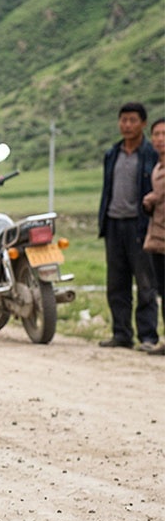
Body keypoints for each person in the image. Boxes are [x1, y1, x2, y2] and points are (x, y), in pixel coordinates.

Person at [98, 102, 159, 351]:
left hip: (140, 225)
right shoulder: (113, 153)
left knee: (146, 282)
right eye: (123, 120)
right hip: (114, 223)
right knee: (116, 282)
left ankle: (148, 336)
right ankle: (121, 334)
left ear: (143, 123)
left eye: (133, 120)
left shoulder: (150, 154)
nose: (127, 125)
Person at [140, 118, 165, 355]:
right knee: (163, 291)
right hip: (158, 239)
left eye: (164, 134)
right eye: (156, 134)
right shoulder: (157, 168)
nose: (159, 139)